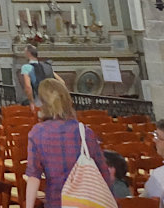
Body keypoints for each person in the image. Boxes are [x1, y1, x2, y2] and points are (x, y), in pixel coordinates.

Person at [23, 78, 115, 208]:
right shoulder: (84, 131)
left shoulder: (37, 133)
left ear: (43, 103)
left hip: (57, 201)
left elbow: (34, 175)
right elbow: (103, 171)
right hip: (86, 201)